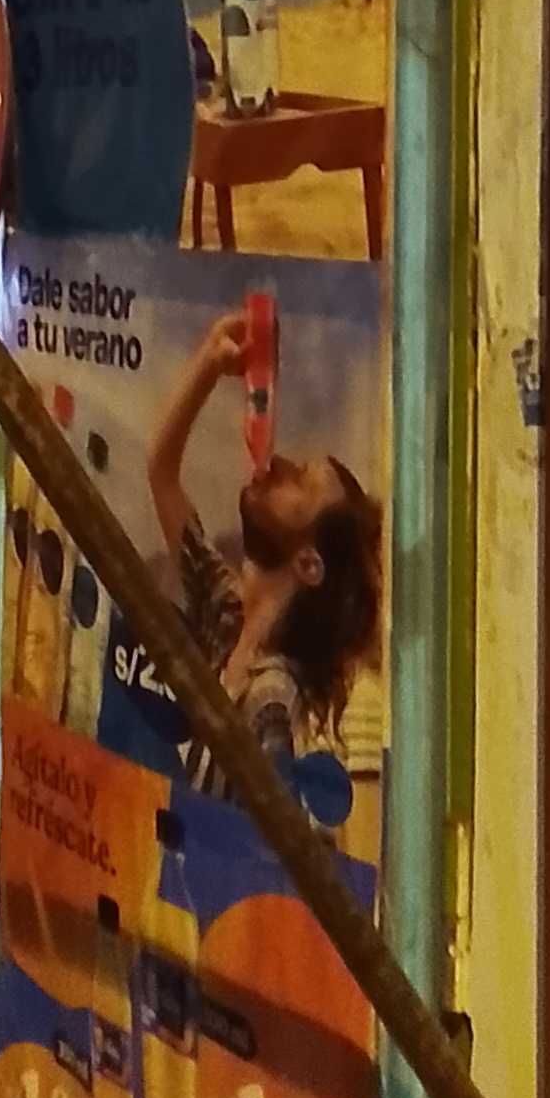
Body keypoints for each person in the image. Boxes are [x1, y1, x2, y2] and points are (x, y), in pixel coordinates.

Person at [145, 312, 382, 793]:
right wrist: (211, 361)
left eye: (301, 482)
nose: (279, 465)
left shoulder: (275, 701)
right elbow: (162, 471)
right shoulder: (229, 620)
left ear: (308, 564)